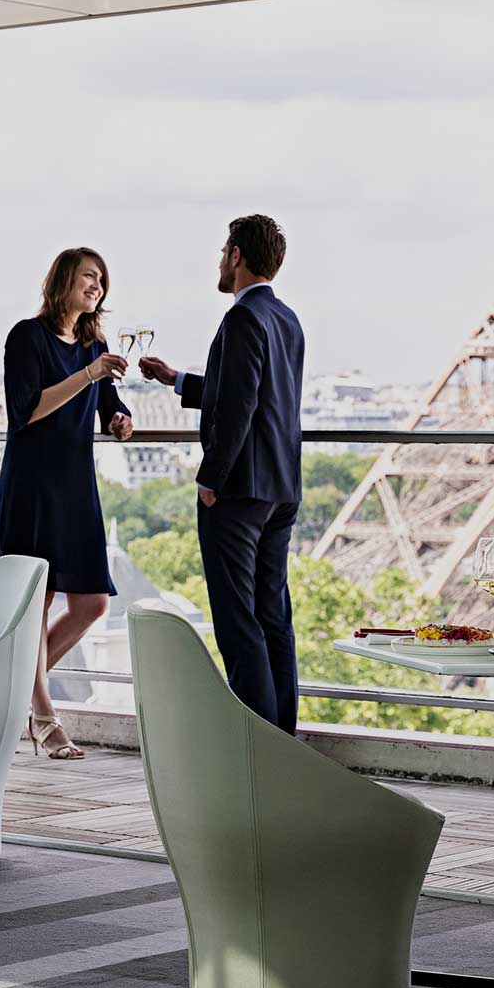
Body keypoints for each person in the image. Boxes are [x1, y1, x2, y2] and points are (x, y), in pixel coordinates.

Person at [139, 215, 305, 733]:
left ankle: (255, 744)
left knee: (238, 624)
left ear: (236, 255)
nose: (218, 261)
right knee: (273, 617)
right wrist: (177, 380)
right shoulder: (287, 319)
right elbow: (251, 390)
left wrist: (209, 478)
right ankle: (283, 739)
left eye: (221, 252)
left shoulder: (240, 320)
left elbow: (238, 405)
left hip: (237, 491)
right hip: (280, 489)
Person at [0, 246, 135, 760]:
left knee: (93, 603)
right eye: (88, 276)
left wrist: (119, 420)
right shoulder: (26, 337)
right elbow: (25, 411)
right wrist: (91, 375)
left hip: (76, 490)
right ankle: (46, 718)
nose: (97, 285)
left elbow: (108, 405)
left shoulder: (92, 345)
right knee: (37, 605)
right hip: (31, 488)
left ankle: (13, 695)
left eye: (102, 278)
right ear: (63, 281)